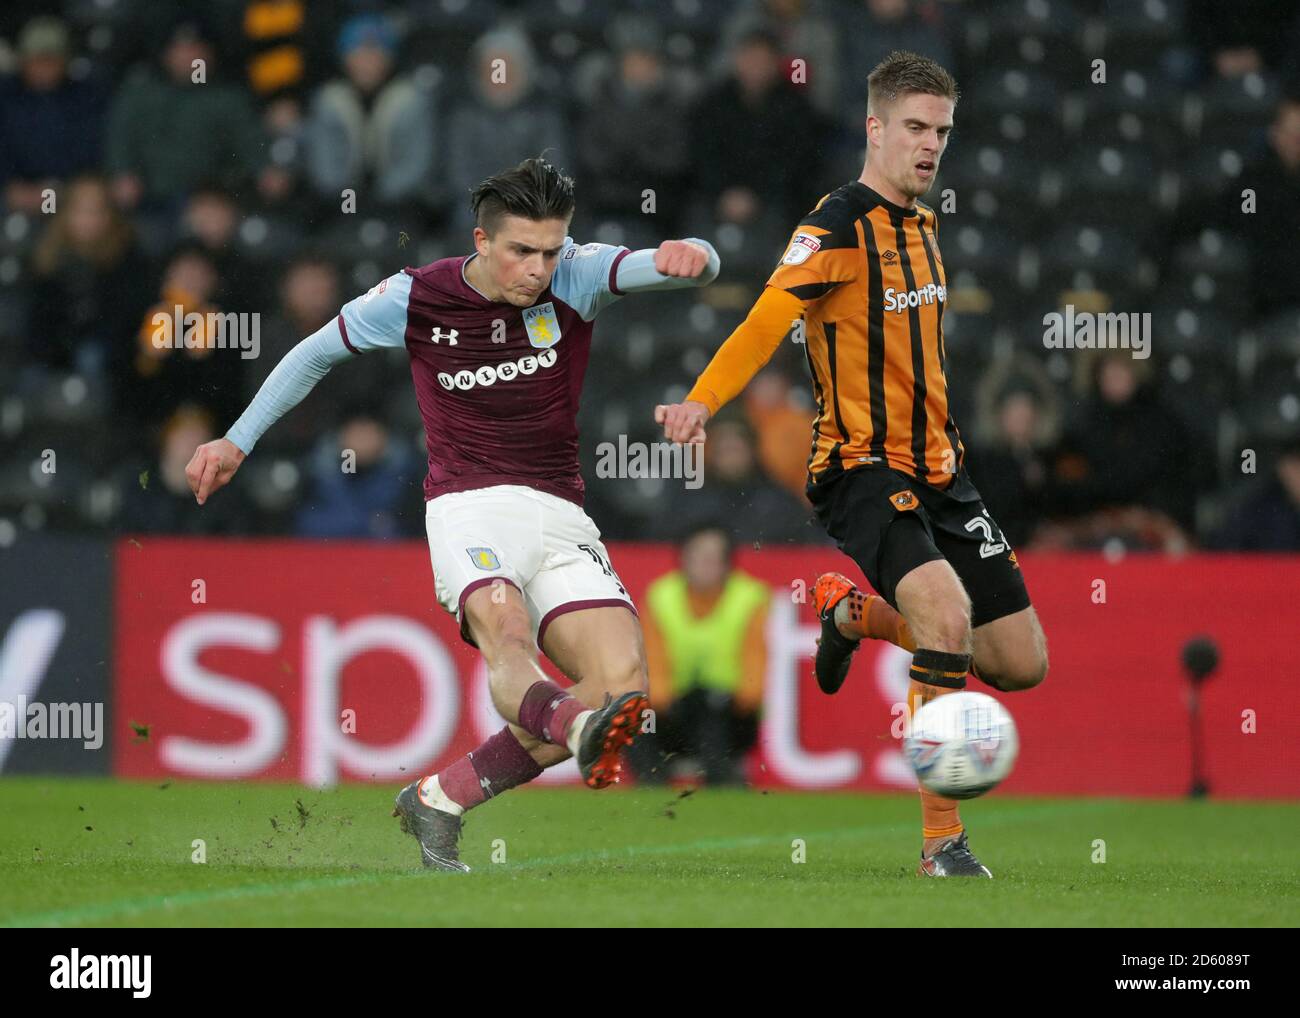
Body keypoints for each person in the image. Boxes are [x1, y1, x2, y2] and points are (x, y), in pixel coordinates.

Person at [185, 156, 720, 871]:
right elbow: (313, 354)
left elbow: (686, 264)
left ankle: (440, 798)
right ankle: (573, 724)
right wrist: (237, 440)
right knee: (508, 636)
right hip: (469, 507)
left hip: (560, 513)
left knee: (623, 686)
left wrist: (697, 256)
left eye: (550, 251)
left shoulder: (579, 274)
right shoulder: (414, 298)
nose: (537, 269)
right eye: (521, 251)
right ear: (481, 241)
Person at [657, 52, 1049, 878]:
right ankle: (943, 844)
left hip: (944, 471)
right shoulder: (835, 225)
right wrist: (701, 401)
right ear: (874, 128)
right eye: (914, 127)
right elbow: (766, 321)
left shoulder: (924, 223)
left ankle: (850, 617)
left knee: (1019, 663)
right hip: (861, 467)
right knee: (944, 617)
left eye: (941, 131)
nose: (930, 145)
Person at [628, 522, 768, 785]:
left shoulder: (749, 598)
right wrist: (665, 702)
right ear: (683, 560)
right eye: (698, 557)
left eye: (712, 558)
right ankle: (652, 792)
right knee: (631, 719)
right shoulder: (661, 597)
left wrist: (738, 698)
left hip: (729, 714)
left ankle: (722, 784)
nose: (705, 565)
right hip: (674, 711)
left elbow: (754, 669)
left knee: (710, 714)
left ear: (727, 564)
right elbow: (652, 664)